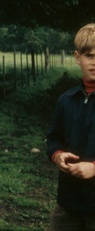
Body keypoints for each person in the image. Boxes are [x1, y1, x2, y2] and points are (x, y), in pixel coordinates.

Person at [46, 23, 95, 230]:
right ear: (77, 57)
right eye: (89, 55)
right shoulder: (66, 101)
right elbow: (53, 138)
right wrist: (57, 155)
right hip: (67, 205)